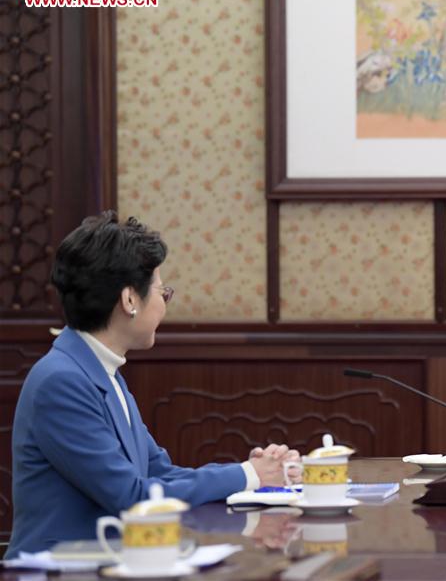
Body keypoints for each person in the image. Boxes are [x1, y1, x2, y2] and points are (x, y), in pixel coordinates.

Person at [7, 212, 301, 558]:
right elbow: (132, 496)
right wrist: (248, 474)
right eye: (163, 292)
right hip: (61, 570)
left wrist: (251, 475)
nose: (164, 304)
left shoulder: (99, 370)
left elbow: (160, 473)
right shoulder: (62, 382)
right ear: (130, 300)